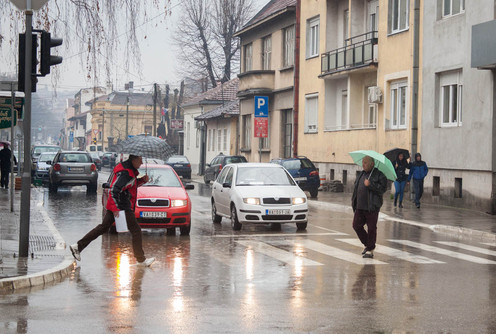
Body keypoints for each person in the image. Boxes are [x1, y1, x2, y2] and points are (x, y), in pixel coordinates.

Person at [70, 155, 155, 266]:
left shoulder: (128, 170)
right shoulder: (126, 173)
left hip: (119, 204)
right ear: (133, 160)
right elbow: (114, 190)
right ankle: (141, 260)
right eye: (140, 160)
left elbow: (129, 186)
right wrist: (115, 208)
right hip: (122, 205)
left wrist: (142, 181)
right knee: (136, 230)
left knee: (103, 228)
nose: (142, 163)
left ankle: (78, 246)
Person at [351, 156, 387, 259]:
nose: (363, 164)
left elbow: (382, 189)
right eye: (363, 162)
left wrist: (370, 185)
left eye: (365, 163)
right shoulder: (361, 174)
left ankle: (370, 250)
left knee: (371, 228)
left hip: (372, 206)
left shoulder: (379, 175)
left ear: (372, 164)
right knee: (356, 225)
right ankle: (368, 245)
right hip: (360, 206)